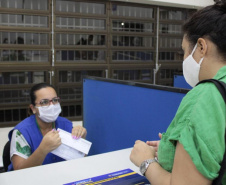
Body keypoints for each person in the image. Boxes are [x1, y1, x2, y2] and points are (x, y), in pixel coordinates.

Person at [130, 0, 226, 184]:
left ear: (201, 47)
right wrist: (173, 150)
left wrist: (146, 162)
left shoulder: (205, 96)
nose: (183, 59)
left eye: (184, 51)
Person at [7, 83, 87, 171]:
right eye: (44, 102)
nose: (51, 105)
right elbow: (19, 171)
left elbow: (80, 159)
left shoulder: (65, 124)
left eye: (55, 100)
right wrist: (43, 149)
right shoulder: (22, 132)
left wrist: (81, 141)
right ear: (33, 108)